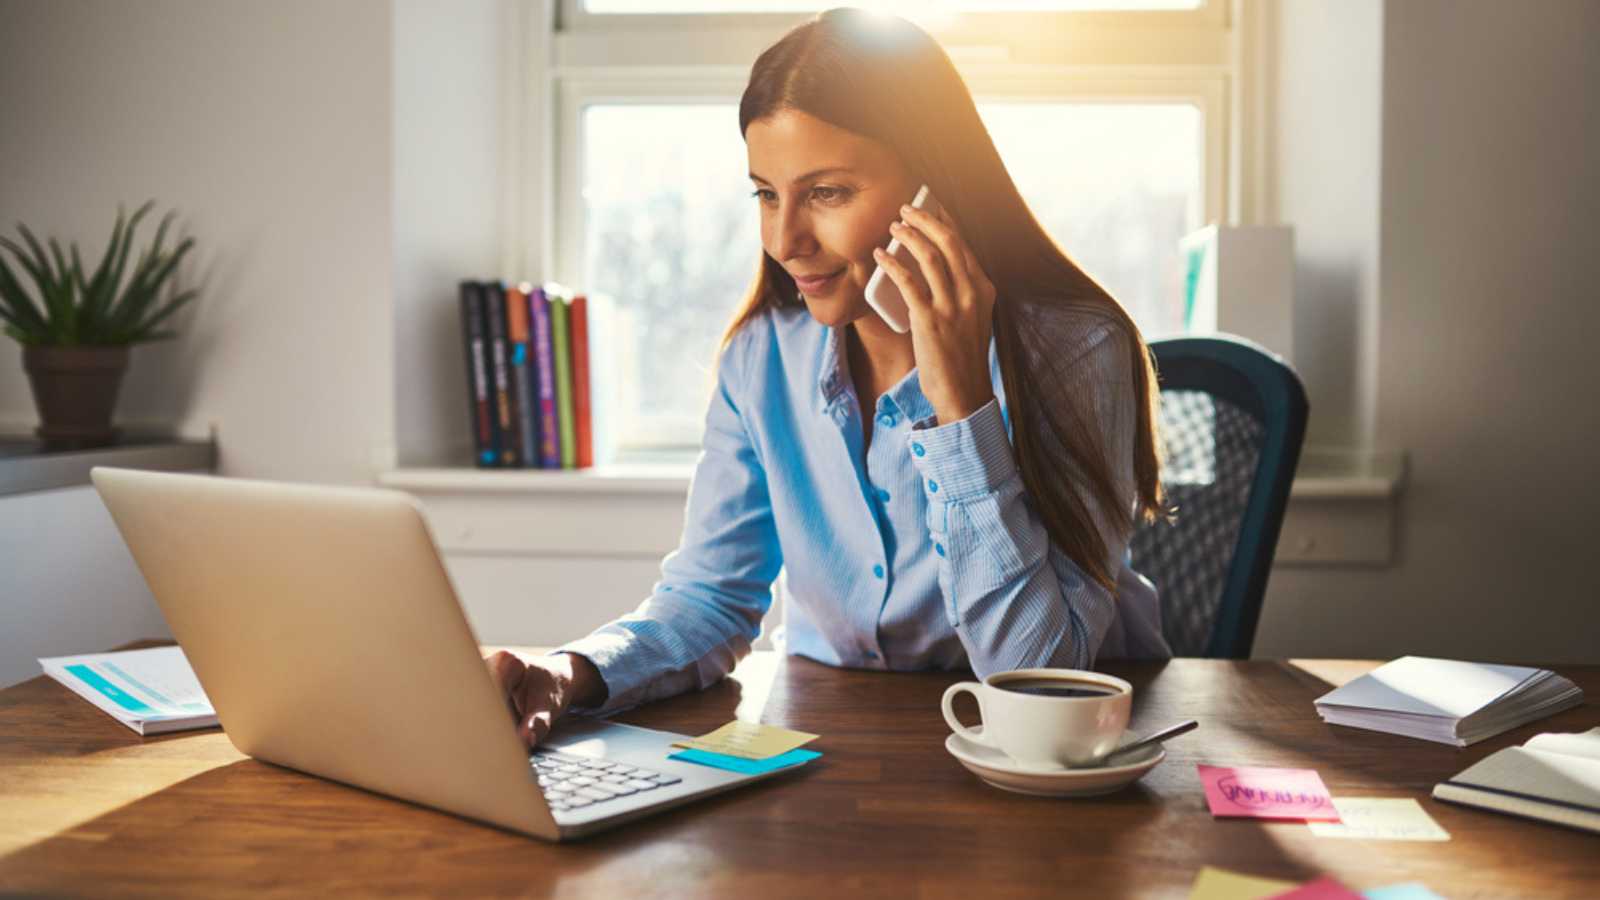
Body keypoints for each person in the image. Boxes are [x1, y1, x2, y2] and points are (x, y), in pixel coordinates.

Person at [487, 8, 1171, 748]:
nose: (785, 240)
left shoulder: (1073, 350)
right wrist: (568, 670)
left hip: (1058, 766)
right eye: (766, 194)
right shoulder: (762, 356)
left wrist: (961, 405)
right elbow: (711, 599)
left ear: (935, 191)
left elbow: (1037, 676)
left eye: (828, 193)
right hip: (828, 749)